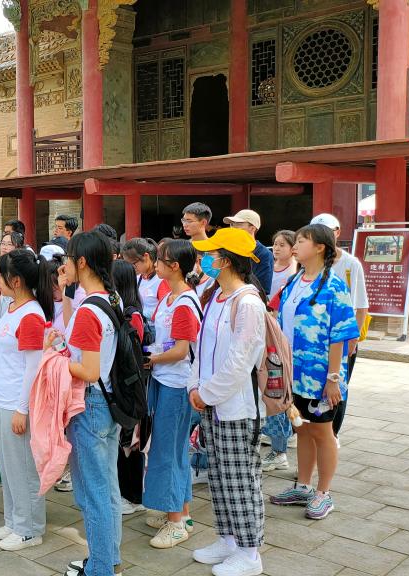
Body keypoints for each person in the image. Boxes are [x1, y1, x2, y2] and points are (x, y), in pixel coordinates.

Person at [187, 227, 267, 576]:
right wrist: (195, 386)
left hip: (235, 407)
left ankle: (250, 553)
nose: (205, 259)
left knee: (240, 480)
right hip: (212, 402)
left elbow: (240, 362)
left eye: (211, 254)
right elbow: (201, 350)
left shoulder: (247, 303)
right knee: (219, 477)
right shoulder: (216, 296)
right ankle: (228, 539)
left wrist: (206, 393)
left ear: (227, 261)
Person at [269, 224, 359, 521]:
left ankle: (324, 493)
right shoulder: (295, 280)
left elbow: (339, 336)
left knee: (323, 432)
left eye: (302, 240)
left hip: (320, 377)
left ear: (320, 247)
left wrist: (333, 379)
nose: (295, 245)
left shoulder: (334, 286)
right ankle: (304, 486)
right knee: (302, 428)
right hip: (293, 373)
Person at [49, 232, 122, 576]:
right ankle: (108, 561)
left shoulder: (88, 311)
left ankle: (100, 568)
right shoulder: (110, 299)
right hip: (108, 403)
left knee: (93, 494)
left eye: (67, 259)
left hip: (90, 405)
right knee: (106, 489)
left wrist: (55, 359)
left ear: (81, 262)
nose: (63, 266)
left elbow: (89, 370)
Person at [142, 240, 202, 549]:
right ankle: (182, 513)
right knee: (173, 450)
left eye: (161, 260)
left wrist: (151, 359)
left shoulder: (184, 303)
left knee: (168, 451)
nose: (156, 264)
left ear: (174, 266)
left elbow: (180, 350)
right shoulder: (170, 297)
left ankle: (176, 522)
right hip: (165, 380)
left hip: (176, 385)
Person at [0, 249, 52, 550]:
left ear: (15, 281)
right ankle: (15, 520)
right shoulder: (12, 306)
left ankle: (29, 528)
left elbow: (32, 366)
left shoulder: (30, 315)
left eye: (0, 276)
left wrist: (22, 408)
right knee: (8, 464)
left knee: (24, 467)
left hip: (17, 401)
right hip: (1, 397)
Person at [308, 213, 368, 437]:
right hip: (314, 338)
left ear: (337, 233)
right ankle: (315, 431)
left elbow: (360, 305)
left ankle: (333, 433)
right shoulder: (309, 263)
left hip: (342, 338)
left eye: (327, 232)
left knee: (338, 387)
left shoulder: (351, 264)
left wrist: (354, 339)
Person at [110, 260, 148, 516]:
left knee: (130, 442)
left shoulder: (132, 314)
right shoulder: (121, 309)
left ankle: (133, 496)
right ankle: (125, 492)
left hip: (129, 386)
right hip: (123, 384)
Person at [260, 230, 298, 472]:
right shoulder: (273, 271)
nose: (276, 248)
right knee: (274, 396)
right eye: (275, 244)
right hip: (273, 340)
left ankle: (280, 449)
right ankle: (278, 443)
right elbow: (272, 306)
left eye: (283, 244)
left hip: (282, 346)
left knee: (278, 396)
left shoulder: (296, 276)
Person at [223, 209, 274, 293]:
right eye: (232, 224)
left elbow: (262, 289)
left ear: (252, 228)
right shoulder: (226, 249)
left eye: (238, 224)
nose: (233, 228)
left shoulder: (264, 254)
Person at [123, 238, 169, 319]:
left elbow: (165, 311)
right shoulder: (137, 278)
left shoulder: (161, 280)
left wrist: (141, 314)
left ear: (146, 256)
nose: (132, 267)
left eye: (134, 263)